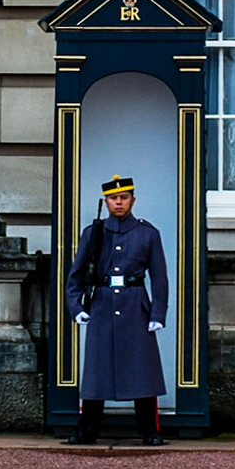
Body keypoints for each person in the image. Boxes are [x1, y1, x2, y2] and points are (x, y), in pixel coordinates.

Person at [63, 174, 168, 447]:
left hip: (135, 306)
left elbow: (159, 278)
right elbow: (76, 275)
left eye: (123, 198)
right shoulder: (93, 233)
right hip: (102, 304)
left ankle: (149, 431)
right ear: (106, 201)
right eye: (113, 198)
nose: (118, 202)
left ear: (133, 200)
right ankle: (88, 430)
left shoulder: (148, 234)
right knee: (96, 373)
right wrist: (76, 307)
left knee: (141, 371)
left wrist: (157, 314)